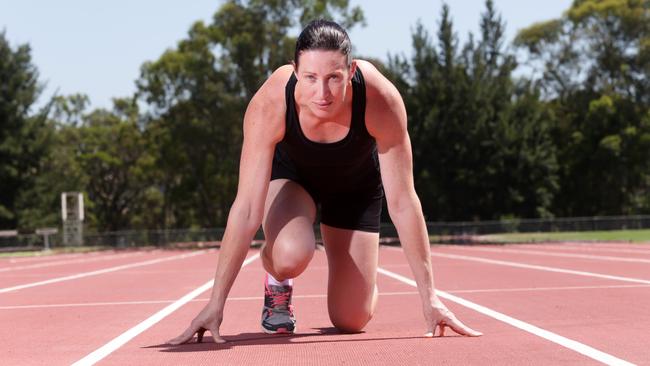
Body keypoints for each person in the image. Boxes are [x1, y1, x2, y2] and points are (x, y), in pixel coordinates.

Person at [169, 19, 482, 345]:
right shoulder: (272, 101)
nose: (322, 93)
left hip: (355, 188)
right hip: (293, 180)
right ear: (295, 70)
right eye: (310, 78)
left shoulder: (380, 99)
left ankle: (364, 279)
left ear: (351, 70)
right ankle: (277, 278)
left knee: (352, 319)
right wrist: (216, 303)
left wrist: (429, 298)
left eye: (334, 77)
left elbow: (403, 202)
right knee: (290, 255)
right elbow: (246, 208)